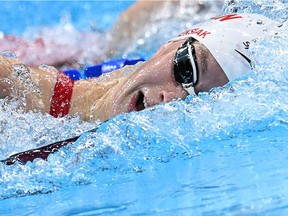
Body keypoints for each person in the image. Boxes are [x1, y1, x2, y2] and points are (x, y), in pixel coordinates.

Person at [0, 13, 279, 122]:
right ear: (170, 43)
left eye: (200, 101)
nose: (171, 100)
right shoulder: (15, 91)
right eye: (185, 70)